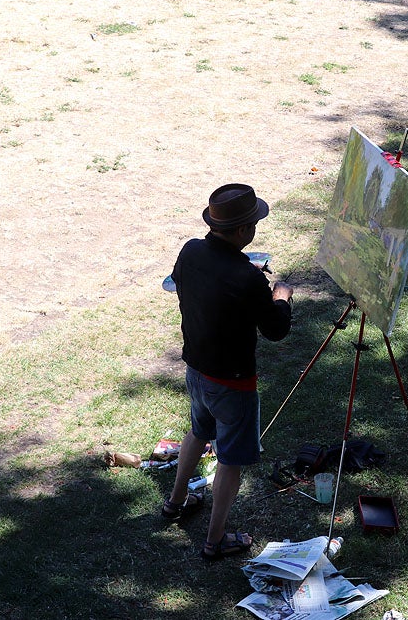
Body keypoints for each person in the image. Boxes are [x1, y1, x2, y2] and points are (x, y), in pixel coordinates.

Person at [161, 183, 294, 561]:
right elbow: (275, 330)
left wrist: (241, 275)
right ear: (241, 232)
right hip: (232, 382)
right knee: (230, 460)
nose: (255, 229)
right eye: (252, 223)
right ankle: (214, 540)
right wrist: (280, 297)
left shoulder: (191, 250)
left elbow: (185, 280)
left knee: (198, 431)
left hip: (197, 369)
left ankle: (175, 503)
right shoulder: (248, 279)